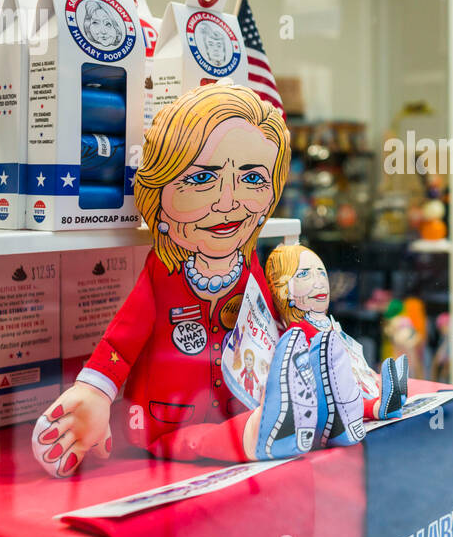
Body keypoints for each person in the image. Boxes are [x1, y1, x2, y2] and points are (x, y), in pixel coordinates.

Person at [32, 84, 359, 476]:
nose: (228, 202)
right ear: (160, 187)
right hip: (172, 416)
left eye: (253, 179)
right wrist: (96, 391)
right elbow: (124, 336)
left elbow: (268, 324)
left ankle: (344, 408)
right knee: (192, 440)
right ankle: (258, 436)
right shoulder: (163, 270)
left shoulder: (248, 263)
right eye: (202, 177)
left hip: (240, 401)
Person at [265, 243, 408, 422]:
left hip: (346, 382)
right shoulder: (299, 331)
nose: (319, 282)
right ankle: (380, 406)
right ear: (284, 289)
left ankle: (389, 395)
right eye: (304, 274)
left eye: (322, 273)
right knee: (344, 399)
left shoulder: (323, 323)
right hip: (330, 395)